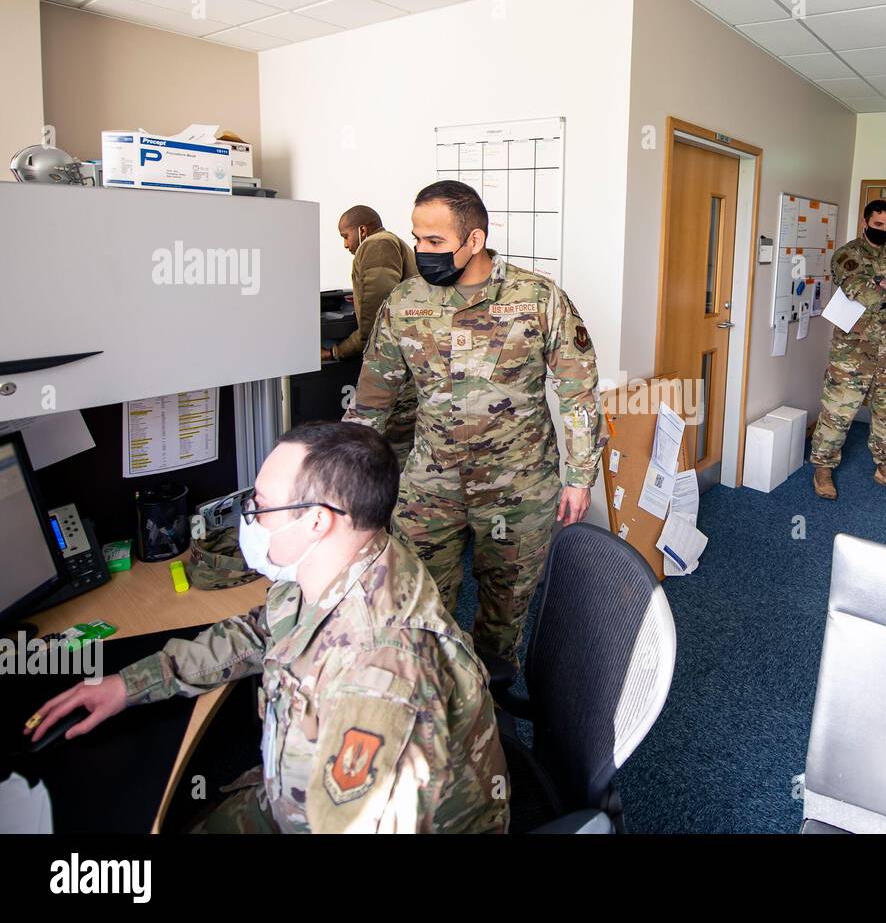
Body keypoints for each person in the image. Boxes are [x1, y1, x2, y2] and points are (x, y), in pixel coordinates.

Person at [25, 422, 508, 833]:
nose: (250, 520)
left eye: (260, 505)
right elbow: (264, 631)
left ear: (318, 521)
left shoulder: (380, 673)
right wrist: (131, 684)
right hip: (296, 786)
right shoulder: (345, 560)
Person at [344, 180, 606, 670]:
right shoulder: (404, 304)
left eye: (435, 242)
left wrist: (579, 477)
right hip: (430, 486)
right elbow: (373, 399)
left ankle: (496, 695)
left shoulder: (537, 298)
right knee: (418, 600)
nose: (421, 252)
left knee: (506, 606)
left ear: (475, 241)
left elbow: (578, 392)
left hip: (519, 485)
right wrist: (345, 479)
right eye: (418, 239)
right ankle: (440, 694)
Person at [810, 199, 886, 499]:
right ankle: (823, 468)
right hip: (853, 349)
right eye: (878, 225)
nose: (884, 231)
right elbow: (857, 288)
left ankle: (885, 467)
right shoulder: (848, 254)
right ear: (866, 223)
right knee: (838, 410)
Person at [327, 206, 420, 465]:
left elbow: (374, 324)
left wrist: (337, 351)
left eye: (345, 236)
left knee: (384, 449)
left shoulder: (376, 244)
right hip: (410, 361)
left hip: (392, 367)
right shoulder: (393, 242)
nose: (346, 245)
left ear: (362, 230)